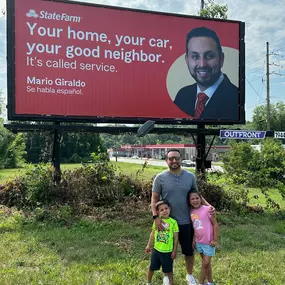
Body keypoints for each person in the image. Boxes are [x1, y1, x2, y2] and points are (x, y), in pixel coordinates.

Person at [151, 149, 214, 285]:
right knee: (165, 252)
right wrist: (156, 217)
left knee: (189, 252)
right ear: (166, 160)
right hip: (167, 222)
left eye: (177, 158)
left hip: (187, 221)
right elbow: (154, 199)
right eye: (171, 158)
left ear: (181, 159)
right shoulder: (160, 178)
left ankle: (189, 275)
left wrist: (209, 206)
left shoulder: (190, 177)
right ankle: (167, 276)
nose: (174, 161)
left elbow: (196, 195)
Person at [174, 26, 239, 120]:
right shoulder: (182, 96)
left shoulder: (236, 98)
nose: (202, 64)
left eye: (209, 56)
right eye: (195, 56)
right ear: (187, 60)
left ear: (221, 59)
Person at [188, 191, 219, 285]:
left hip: (209, 242)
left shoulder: (208, 209)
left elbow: (215, 225)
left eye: (197, 198)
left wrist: (215, 239)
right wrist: (194, 239)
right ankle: (210, 282)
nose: (195, 200)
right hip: (198, 242)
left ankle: (200, 283)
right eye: (192, 199)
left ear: (201, 198)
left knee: (205, 263)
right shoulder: (191, 211)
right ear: (189, 201)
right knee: (207, 264)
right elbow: (195, 227)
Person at [145, 200, 179, 285]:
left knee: (169, 270)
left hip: (168, 252)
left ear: (169, 209)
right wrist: (148, 245)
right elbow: (152, 234)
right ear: (158, 212)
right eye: (162, 210)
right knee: (151, 268)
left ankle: (171, 283)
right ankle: (149, 282)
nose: (165, 211)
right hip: (156, 251)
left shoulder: (173, 222)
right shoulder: (157, 221)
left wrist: (174, 251)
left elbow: (176, 238)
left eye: (166, 208)